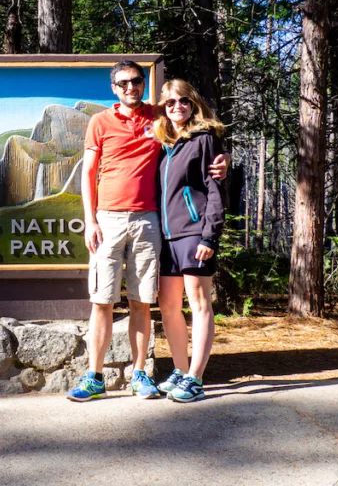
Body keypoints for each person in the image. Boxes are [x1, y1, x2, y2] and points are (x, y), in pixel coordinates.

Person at [67, 61, 226, 402]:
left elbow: (199, 135)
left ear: (144, 84)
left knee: (142, 301)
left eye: (137, 81)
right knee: (102, 301)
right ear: (114, 87)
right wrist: (90, 219)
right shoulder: (101, 122)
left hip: (149, 222)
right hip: (107, 220)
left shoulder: (157, 118)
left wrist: (223, 161)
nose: (130, 87)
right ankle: (95, 376)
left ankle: (142, 375)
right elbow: (88, 172)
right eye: (123, 83)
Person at [152, 79, 225, 403]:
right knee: (168, 306)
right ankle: (181, 371)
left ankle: (196, 378)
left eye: (183, 101)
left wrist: (210, 234)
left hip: (194, 233)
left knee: (199, 303)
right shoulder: (164, 144)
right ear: (164, 109)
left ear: (193, 104)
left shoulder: (205, 139)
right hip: (167, 237)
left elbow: (215, 189)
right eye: (170, 103)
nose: (177, 107)